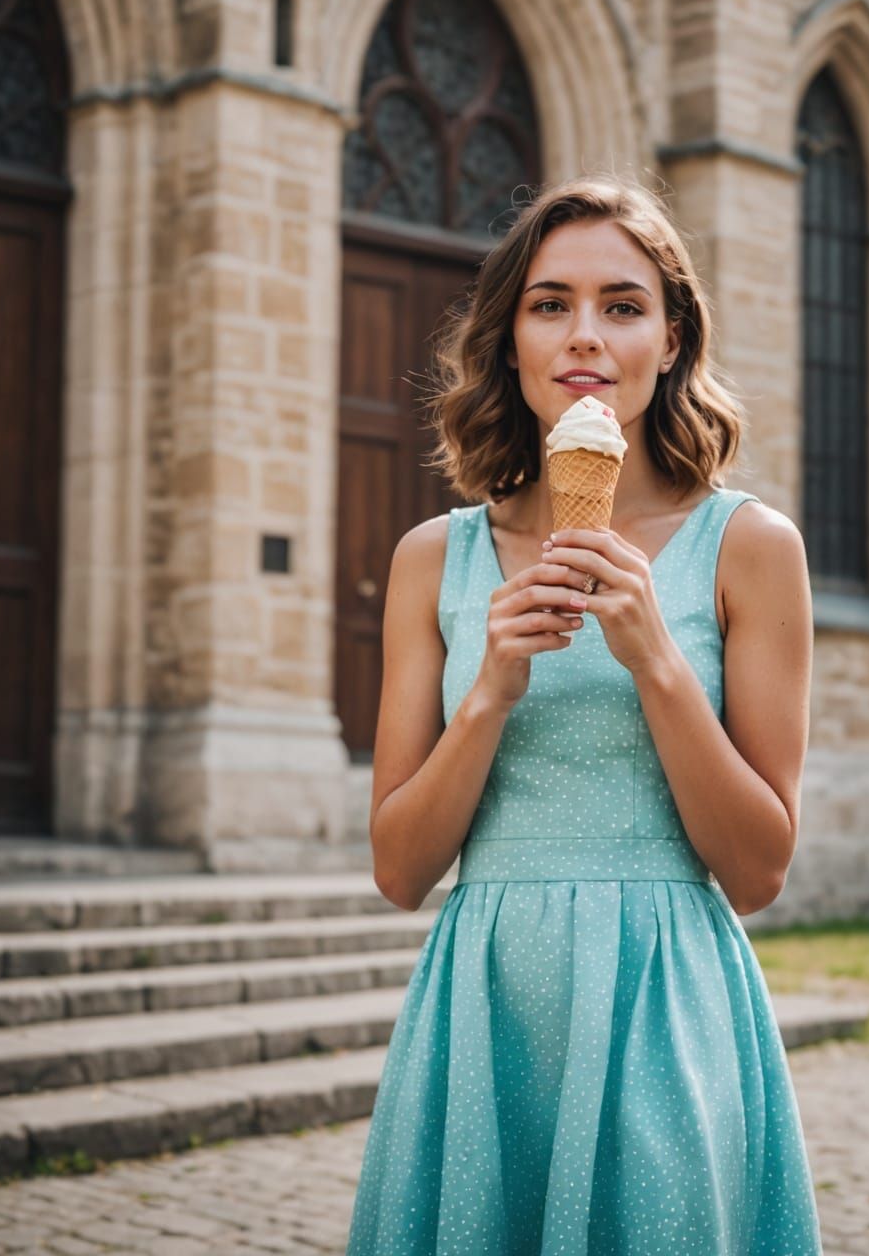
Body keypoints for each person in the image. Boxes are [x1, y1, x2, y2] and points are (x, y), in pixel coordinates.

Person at [345, 173, 825, 1254]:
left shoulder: (751, 549)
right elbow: (397, 870)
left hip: (666, 1002)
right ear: (509, 337)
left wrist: (654, 656)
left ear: (671, 338)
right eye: (550, 303)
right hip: (485, 1009)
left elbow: (757, 871)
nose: (585, 338)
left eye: (622, 305)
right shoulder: (435, 559)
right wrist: (490, 694)